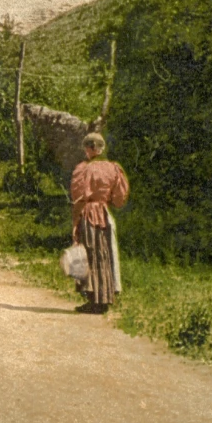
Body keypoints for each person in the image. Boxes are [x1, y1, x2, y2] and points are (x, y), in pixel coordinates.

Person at [68, 130, 129, 313]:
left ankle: (93, 299)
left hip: (89, 213)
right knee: (105, 253)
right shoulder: (113, 168)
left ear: (89, 149)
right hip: (105, 213)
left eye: (86, 148)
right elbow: (119, 198)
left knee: (90, 253)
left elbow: (78, 198)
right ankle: (105, 298)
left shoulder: (84, 169)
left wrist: (75, 222)